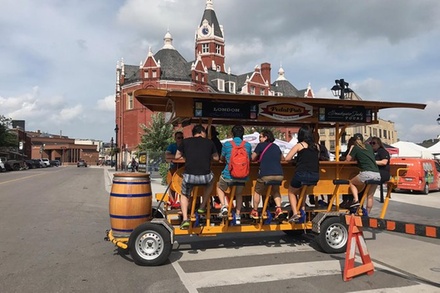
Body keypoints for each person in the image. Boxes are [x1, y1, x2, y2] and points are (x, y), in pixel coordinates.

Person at [175, 125, 219, 229]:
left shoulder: (185, 142)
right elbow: (216, 158)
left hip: (190, 177)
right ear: (202, 132)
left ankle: (185, 218)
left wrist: (187, 156)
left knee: (184, 194)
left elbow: (177, 156)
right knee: (212, 181)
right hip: (205, 177)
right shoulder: (209, 142)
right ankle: (202, 206)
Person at [216, 125, 252, 225]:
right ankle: (238, 215)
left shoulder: (227, 144)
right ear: (243, 135)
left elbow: (222, 158)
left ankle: (223, 206)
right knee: (239, 194)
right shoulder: (248, 145)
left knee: (219, 186)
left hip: (229, 175)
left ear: (232, 134)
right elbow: (249, 159)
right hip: (243, 176)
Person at [284, 125, 320, 222]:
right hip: (315, 175)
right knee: (302, 190)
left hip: (302, 174)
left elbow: (287, 158)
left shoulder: (300, 145)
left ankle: (295, 213)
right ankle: (302, 209)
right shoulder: (316, 146)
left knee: (291, 191)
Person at [250, 129, 285, 220]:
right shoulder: (276, 146)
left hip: (266, 174)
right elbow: (283, 158)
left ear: (266, 137)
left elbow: (252, 158)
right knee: (276, 191)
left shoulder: (260, 145)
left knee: (257, 191)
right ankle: (278, 209)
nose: (259, 139)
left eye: (260, 137)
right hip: (279, 174)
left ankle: (255, 211)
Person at [346, 133, 381, 213]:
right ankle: (367, 215)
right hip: (377, 174)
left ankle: (356, 200)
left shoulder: (355, 147)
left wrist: (351, 148)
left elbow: (348, 159)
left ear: (354, 141)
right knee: (370, 196)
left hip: (366, 173)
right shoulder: (369, 146)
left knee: (351, 182)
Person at [165, 131, 184, 208]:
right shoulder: (172, 146)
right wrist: (176, 156)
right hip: (174, 167)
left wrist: (176, 157)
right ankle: (173, 201)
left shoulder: (185, 146)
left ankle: (182, 202)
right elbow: (167, 155)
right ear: (175, 139)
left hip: (183, 168)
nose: (180, 139)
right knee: (171, 183)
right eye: (178, 138)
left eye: (182, 138)